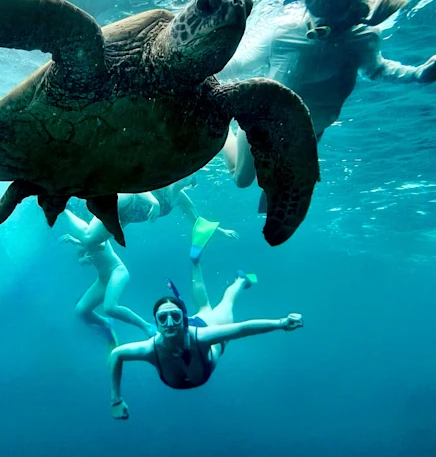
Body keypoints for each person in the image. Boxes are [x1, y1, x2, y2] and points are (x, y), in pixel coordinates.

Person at [221, 0, 436, 190]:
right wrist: (190, 68)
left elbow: (378, 70)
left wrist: (421, 74)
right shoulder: (284, 34)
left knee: (283, 184)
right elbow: (240, 63)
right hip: (260, 125)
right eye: (318, 0)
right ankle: (222, 131)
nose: (325, 12)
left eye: (334, 0)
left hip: (310, 132)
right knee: (242, 180)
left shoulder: (363, 38)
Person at [105, 231, 304, 420]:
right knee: (214, 305)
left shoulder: (201, 336)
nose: (169, 323)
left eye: (174, 316)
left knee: (219, 305)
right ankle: (224, 273)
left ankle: (237, 279)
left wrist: (281, 323)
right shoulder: (151, 347)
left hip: (204, 328)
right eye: (163, 319)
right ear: (156, 322)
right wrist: (116, 400)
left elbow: (243, 329)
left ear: (183, 318)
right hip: (199, 330)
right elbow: (116, 355)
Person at [61, 175, 239, 247]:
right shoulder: (163, 177)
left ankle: (63, 208)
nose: (183, 177)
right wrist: (153, 200)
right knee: (123, 194)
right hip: (127, 197)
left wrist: (222, 232)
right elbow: (135, 181)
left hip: (127, 217)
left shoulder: (180, 199)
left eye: (188, 177)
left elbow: (197, 220)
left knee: (88, 240)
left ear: (190, 183)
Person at [59, 233, 157, 348]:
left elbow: (100, 245)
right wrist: (84, 259)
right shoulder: (77, 239)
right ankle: (106, 322)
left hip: (117, 271)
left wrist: (75, 241)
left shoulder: (96, 230)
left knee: (110, 308)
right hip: (102, 279)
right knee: (81, 311)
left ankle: (147, 327)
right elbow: (80, 258)